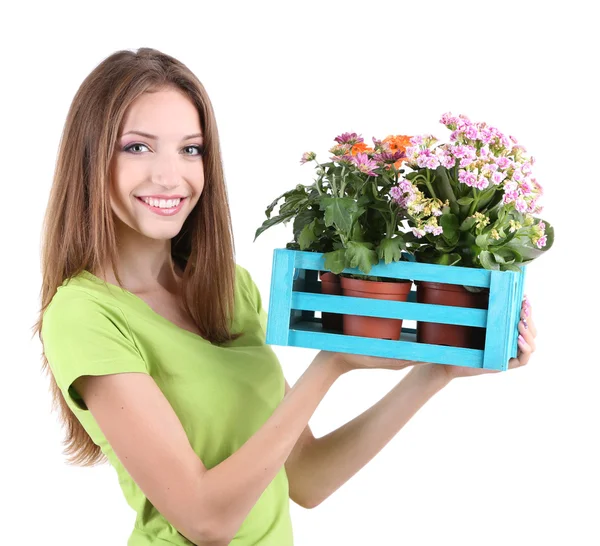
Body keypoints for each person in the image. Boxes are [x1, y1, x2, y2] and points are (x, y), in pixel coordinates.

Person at [34, 47, 537, 546]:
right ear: (90, 158)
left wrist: (436, 372)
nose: (170, 175)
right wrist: (330, 366)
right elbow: (206, 521)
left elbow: (307, 479)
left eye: (191, 149)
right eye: (138, 147)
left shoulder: (227, 287)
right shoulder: (83, 315)